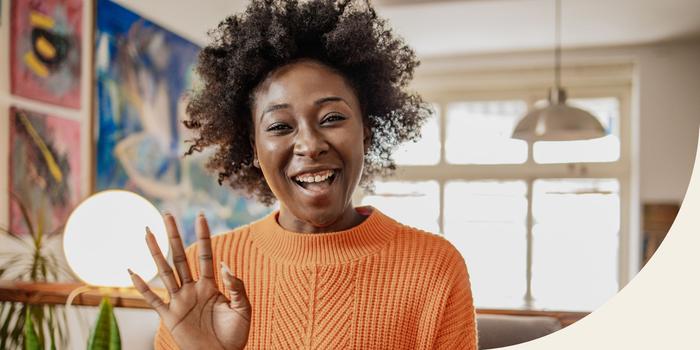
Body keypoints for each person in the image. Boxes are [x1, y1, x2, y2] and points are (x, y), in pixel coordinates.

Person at [128, 0, 478, 349]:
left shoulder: (434, 266)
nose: (310, 145)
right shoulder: (204, 278)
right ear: (252, 147)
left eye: (332, 118)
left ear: (366, 132)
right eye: (280, 126)